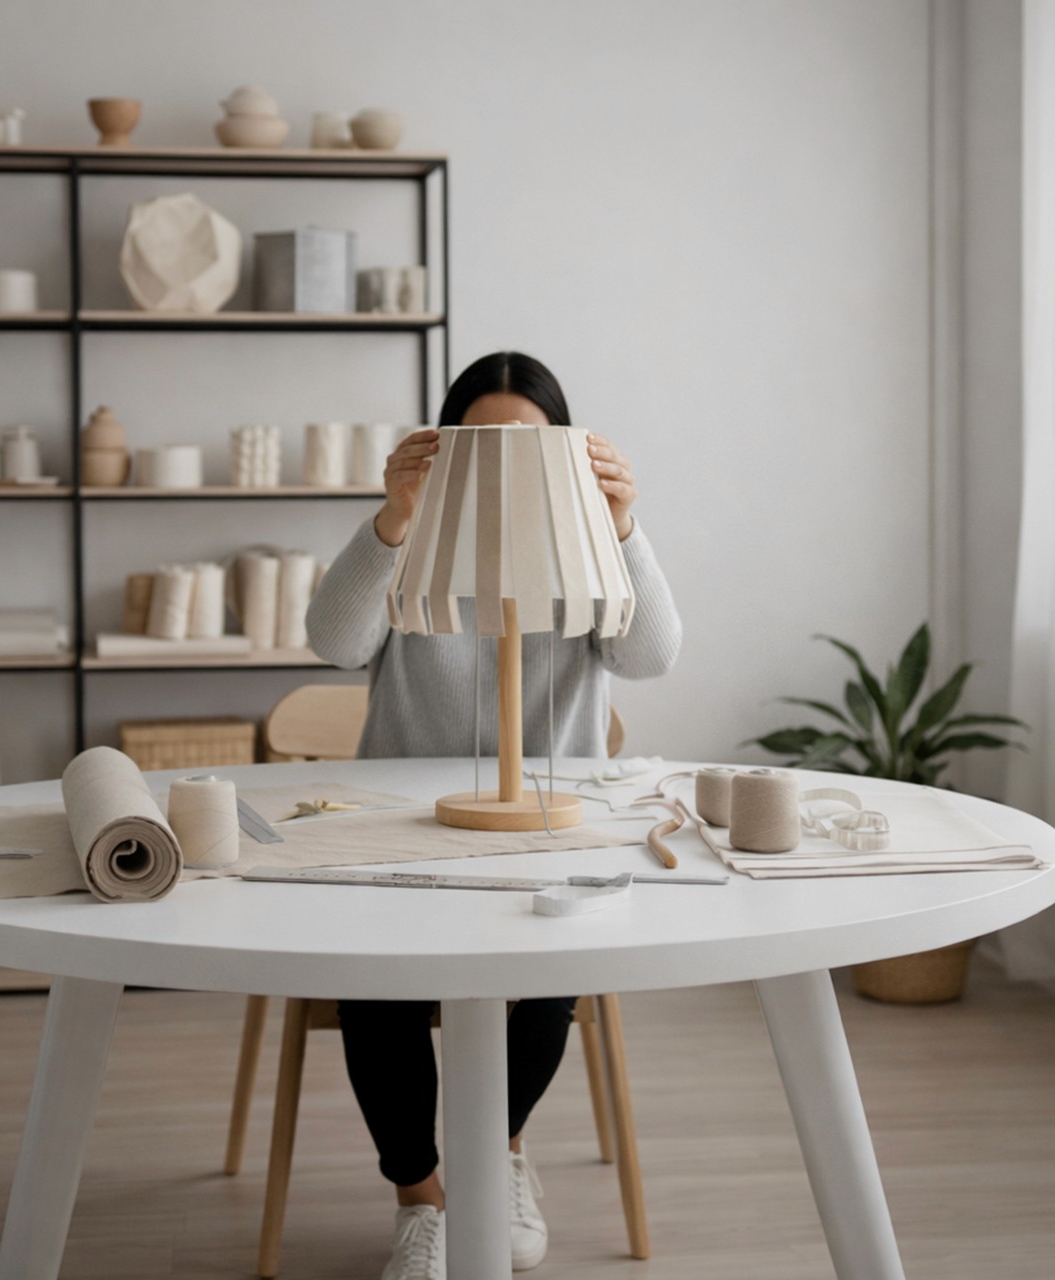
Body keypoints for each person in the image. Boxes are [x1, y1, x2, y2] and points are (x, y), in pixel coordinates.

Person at [305, 351, 682, 1279]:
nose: (510, 460)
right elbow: (332, 641)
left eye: (531, 443)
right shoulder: (417, 544)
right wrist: (394, 517)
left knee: (547, 970)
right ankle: (421, 1195)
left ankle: (497, 1150)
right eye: (487, 442)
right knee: (374, 985)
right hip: (404, 828)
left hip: (550, 832)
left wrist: (624, 524)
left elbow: (652, 658)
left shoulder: (584, 548)